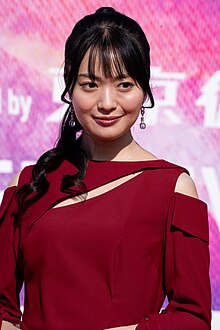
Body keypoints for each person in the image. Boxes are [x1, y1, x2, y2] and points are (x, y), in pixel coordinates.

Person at [0, 7, 211, 330]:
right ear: (69, 88)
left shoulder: (172, 187)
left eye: (124, 85)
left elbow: (193, 317)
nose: (107, 102)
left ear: (145, 89)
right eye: (90, 85)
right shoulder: (28, 183)